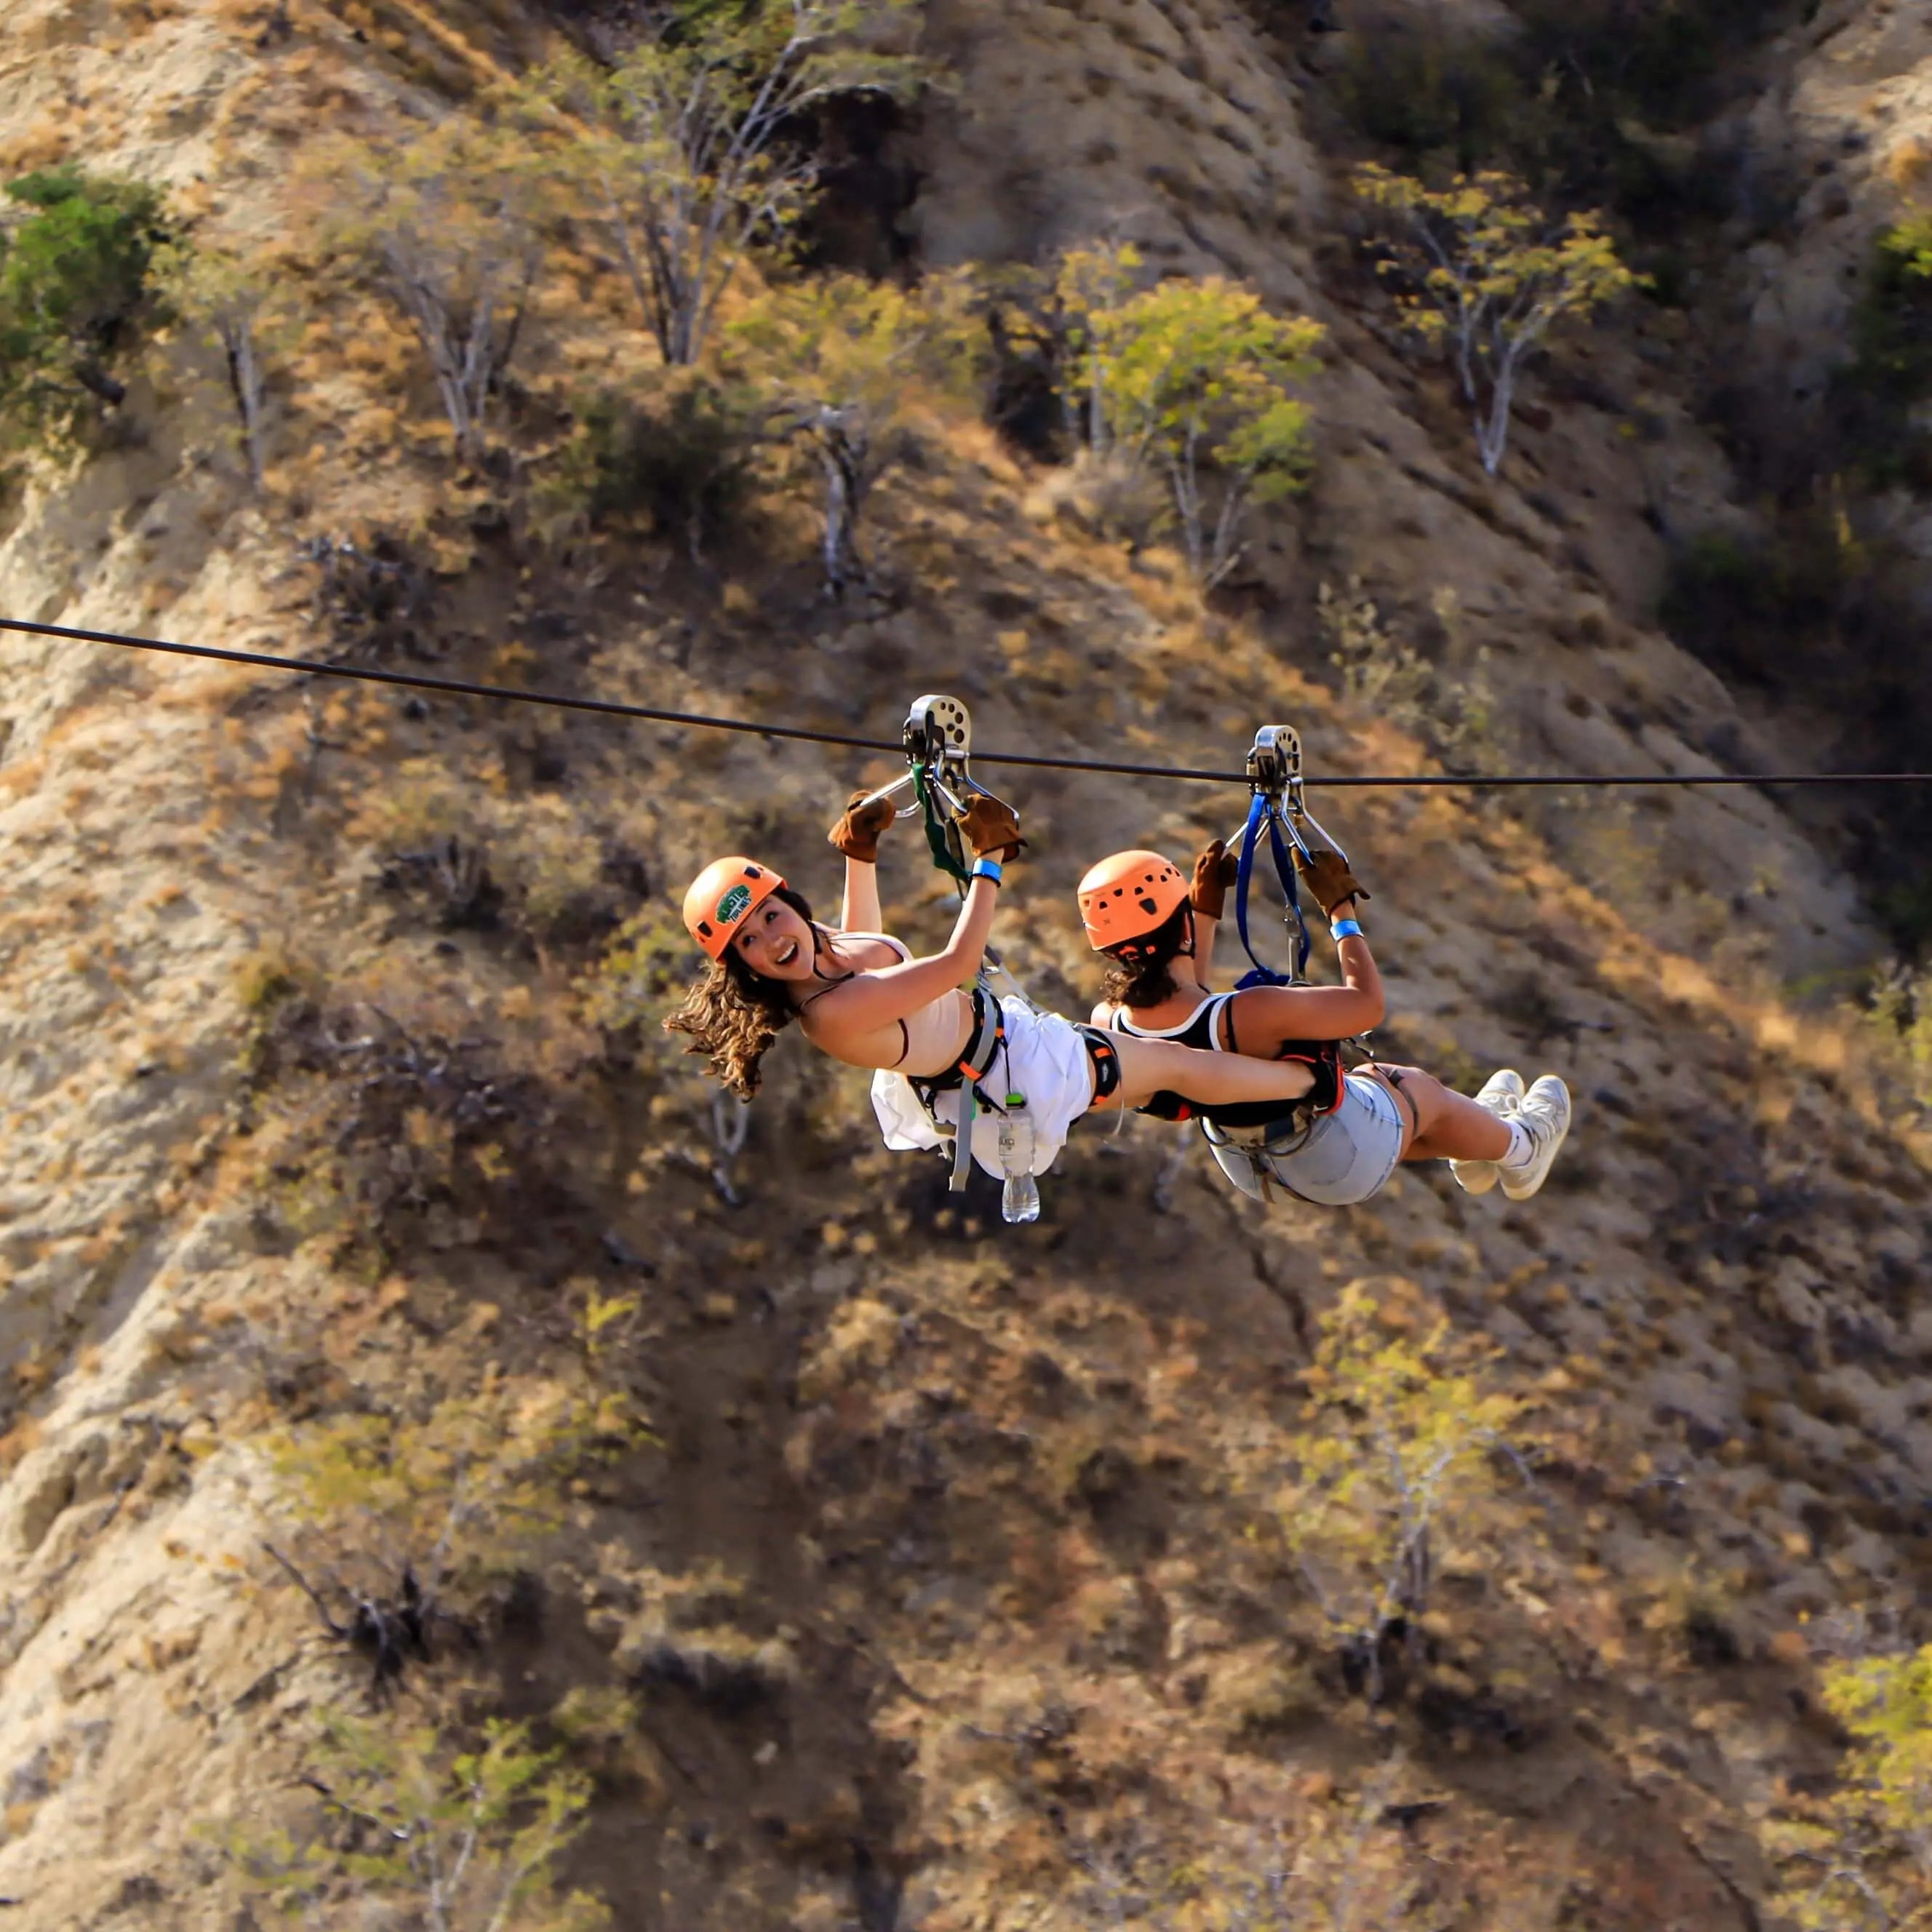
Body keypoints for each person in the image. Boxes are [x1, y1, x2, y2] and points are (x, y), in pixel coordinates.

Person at [665, 791, 1325, 1183]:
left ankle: (1203, 1090)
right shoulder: (829, 1013)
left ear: (791, 903)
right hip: (1011, 1072)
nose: (773, 940)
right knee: (1176, 1062)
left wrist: (858, 856)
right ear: (745, 968)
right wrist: (987, 863)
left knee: (1163, 1056)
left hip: (1009, 1042)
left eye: (771, 916)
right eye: (749, 942)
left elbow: (867, 943)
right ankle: (1309, 1086)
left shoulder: (825, 953)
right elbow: (952, 967)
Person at [1078, 840, 1571, 1207]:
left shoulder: (1112, 1022)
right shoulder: (1253, 1013)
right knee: (1409, 1087)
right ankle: (1521, 1147)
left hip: (1252, 1171)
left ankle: (1478, 1143)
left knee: (1392, 1111)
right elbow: (1367, 1005)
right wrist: (1341, 911)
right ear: (1181, 924)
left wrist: (1204, 910)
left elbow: (1188, 1006)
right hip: (1337, 1157)